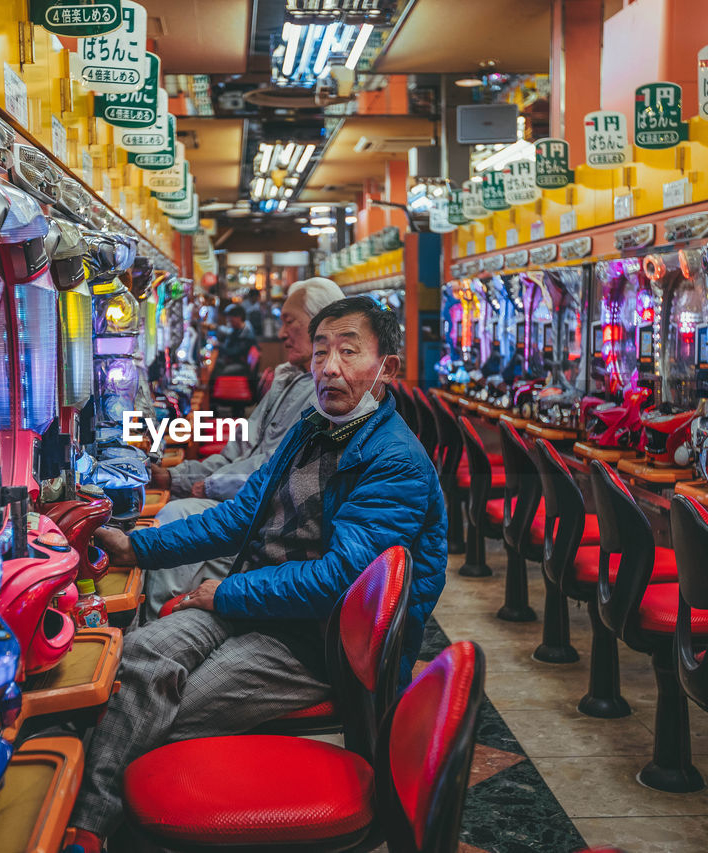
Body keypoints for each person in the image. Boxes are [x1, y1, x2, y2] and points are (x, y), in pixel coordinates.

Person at [67, 296, 447, 852]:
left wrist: (225, 592)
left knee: (155, 714)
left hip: (320, 642)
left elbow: (340, 580)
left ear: (386, 367)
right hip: (253, 603)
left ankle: (92, 829)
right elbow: (242, 514)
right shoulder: (314, 426)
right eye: (321, 352)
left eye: (349, 351)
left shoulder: (394, 461)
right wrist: (136, 548)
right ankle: (97, 829)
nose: (330, 367)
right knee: (135, 660)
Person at [141, 277, 345, 621]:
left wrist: (205, 486)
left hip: (265, 527)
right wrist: (173, 476)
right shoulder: (286, 378)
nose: (281, 333)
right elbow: (237, 451)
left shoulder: (322, 394)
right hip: (243, 508)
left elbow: (270, 475)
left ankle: (160, 622)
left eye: (288, 322)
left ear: (321, 326)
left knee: (172, 517)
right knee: (170, 511)